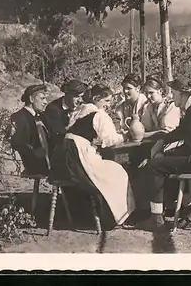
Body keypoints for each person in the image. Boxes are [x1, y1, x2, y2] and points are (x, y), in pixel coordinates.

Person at [137, 76, 191, 231]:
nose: (171, 96)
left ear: (183, 94)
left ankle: (156, 218)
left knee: (154, 165)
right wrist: (162, 142)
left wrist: (167, 153)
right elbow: (180, 132)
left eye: (173, 92)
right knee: (163, 163)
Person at [50, 84, 136, 228]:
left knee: (111, 170)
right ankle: (115, 217)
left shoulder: (80, 110)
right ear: (97, 99)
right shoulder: (99, 114)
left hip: (64, 153)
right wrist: (125, 136)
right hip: (78, 154)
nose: (108, 105)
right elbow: (109, 140)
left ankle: (105, 213)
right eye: (106, 101)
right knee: (117, 172)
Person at [9, 84, 51, 177]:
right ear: (31, 99)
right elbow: (18, 143)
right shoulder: (19, 117)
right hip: (33, 163)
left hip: (47, 158)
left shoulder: (42, 116)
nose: (45, 102)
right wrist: (38, 155)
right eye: (42, 98)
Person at [44, 79, 87, 145]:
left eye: (82, 97)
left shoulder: (80, 107)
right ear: (67, 94)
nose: (80, 100)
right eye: (77, 97)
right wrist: (71, 125)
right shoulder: (53, 110)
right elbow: (58, 136)